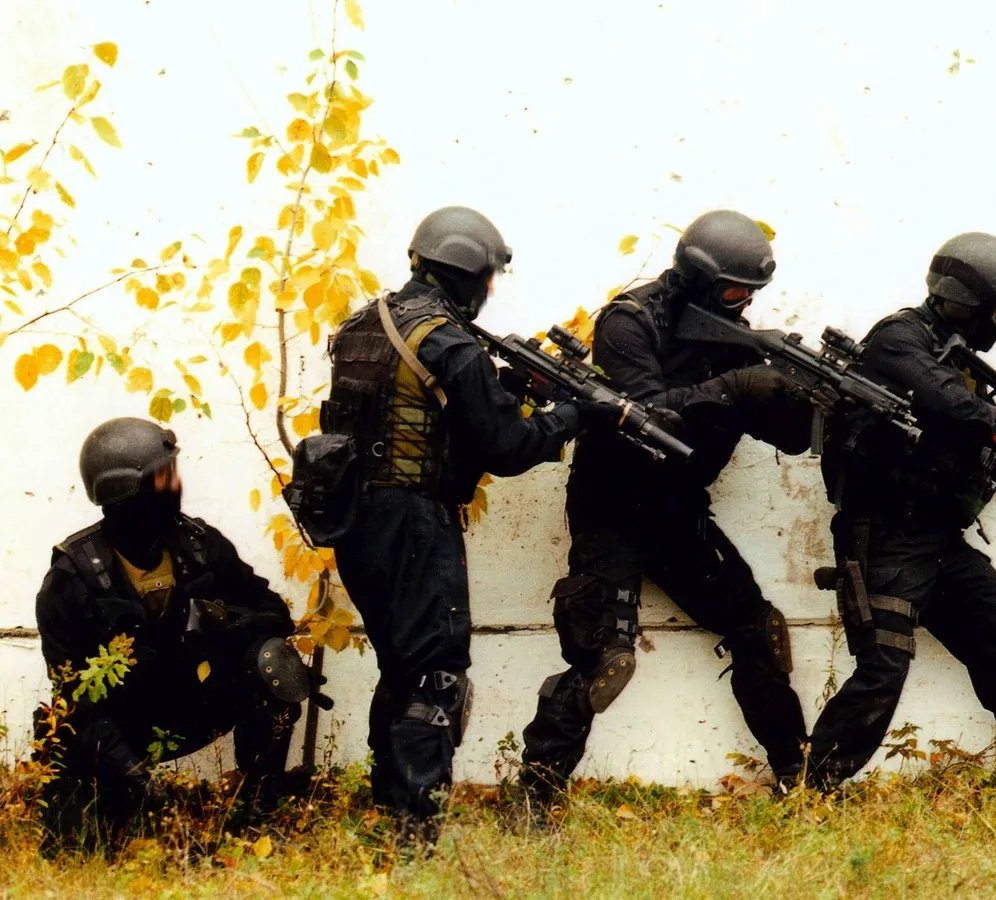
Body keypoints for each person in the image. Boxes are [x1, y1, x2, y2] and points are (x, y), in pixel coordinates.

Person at [520, 209, 821, 803]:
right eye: (733, 291)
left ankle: (798, 775)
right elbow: (649, 416)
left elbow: (789, 438)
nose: (743, 302)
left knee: (756, 630)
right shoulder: (630, 322)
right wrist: (736, 386)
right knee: (603, 657)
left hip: (678, 508)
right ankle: (537, 792)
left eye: (751, 293)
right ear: (700, 278)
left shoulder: (730, 336)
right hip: (612, 504)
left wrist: (801, 397)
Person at [806, 231, 996, 805]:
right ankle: (812, 787)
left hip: (938, 539)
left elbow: (983, 468)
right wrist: (995, 418)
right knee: (884, 666)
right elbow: (942, 397)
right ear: (965, 302)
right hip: (884, 537)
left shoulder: (961, 367)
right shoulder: (899, 341)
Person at [325, 206, 595, 843]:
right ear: (468, 271)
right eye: (489, 277)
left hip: (355, 520)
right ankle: (414, 835)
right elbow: (507, 448)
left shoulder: (364, 323)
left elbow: (415, 414)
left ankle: (390, 812)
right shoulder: (449, 342)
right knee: (435, 674)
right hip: (415, 522)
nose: (490, 290)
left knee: (401, 665)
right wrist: (574, 414)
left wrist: (508, 388)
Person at [35, 417, 323, 854]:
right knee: (64, 750)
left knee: (272, 661)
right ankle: (111, 816)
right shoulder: (71, 579)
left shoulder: (198, 545)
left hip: (194, 705)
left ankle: (259, 812)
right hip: (124, 727)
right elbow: (77, 699)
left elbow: (272, 612)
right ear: (127, 489)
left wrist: (223, 627)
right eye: (163, 476)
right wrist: (138, 780)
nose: (175, 485)